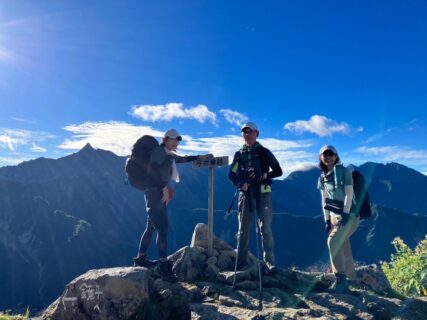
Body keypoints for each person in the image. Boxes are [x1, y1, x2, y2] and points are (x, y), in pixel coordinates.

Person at [133, 129, 213, 281]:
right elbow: (152, 170)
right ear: (165, 139)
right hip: (155, 193)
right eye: (172, 139)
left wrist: (200, 156)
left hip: (154, 193)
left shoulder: (168, 154)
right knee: (162, 229)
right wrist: (163, 187)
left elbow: (182, 158)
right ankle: (163, 266)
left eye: (178, 139)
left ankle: (141, 258)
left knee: (151, 227)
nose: (176, 141)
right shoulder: (159, 151)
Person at [228, 122, 283, 273]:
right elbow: (231, 175)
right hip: (245, 194)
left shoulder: (264, 152)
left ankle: (269, 263)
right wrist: (241, 183)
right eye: (245, 132)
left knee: (265, 228)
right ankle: (241, 261)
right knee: (243, 229)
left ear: (256, 133)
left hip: (263, 193)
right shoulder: (239, 154)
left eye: (250, 132)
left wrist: (264, 175)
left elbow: (278, 171)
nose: (247, 134)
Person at [317, 145, 360, 292]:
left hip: (350, 216)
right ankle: (351, 280)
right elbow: (324, 201)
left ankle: (340, 280)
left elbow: (349, 194)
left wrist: (346, 214)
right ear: (320, 157)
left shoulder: (344, 172)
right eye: (324, 154)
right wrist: (327, 220)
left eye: (330, 154)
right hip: (334, 217)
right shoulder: (322, 177)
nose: (327, 156)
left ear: (336, 156)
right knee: (343, 246)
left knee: (333, 241)